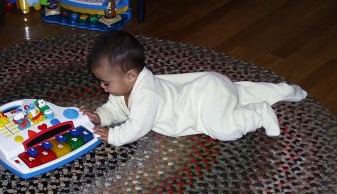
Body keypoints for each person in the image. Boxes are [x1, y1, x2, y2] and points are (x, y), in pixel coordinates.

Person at [81, 31, 307, 146]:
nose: (103, 86)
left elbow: (137, 126)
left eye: (106, 82)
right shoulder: (126, 88)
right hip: (205, 88)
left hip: (203, 100)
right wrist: (100, 117)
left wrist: (113, 136)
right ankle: (282, 91)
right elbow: (117, 109)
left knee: (224, 129)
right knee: (239, 93)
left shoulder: (147, 95)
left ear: (131, 76)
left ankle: (259, 113)